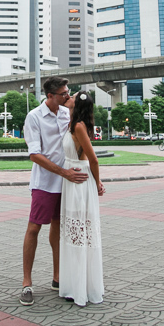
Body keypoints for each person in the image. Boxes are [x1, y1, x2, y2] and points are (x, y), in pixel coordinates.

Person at [20, 76, 88, 306]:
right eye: (63, 93)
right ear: (50, 96)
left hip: (66, 183)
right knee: (34, 228)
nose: (68, 96)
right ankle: (26, 282)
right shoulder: (34, 117)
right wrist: (63, 173)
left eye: (68, 92)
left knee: (59, 228)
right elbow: (35, 154)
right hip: (45, 182)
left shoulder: (65, 112)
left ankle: (57, 277)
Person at [58, 91, 105, 306]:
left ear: (76, 104)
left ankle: (82, 288)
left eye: (72, 96)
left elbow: (93, 159)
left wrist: (97, 183)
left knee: (78, 231)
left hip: (79, 180)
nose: (68, 96)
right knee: (74, 231)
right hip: (72, 178)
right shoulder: (72, 123)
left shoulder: (78, 126)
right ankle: (74, 285)